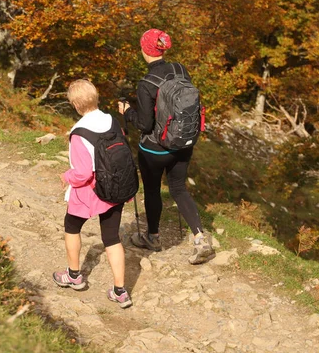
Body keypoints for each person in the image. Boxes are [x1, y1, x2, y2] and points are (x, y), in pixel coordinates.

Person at [117, 28, 215, 265]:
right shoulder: (180, 69)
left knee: (152, 190)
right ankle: (200, 238)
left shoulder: (146, 83)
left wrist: (127, 111)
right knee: (179, 188)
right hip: (183, 142)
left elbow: (145, 124)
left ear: (144, 50)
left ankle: (153, 237)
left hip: (155, 150)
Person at [53, 79, 132, 308]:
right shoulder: (112, 121)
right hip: (115, 187)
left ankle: (74, 276)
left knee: (72, 226)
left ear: (76, 105)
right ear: (96, 97)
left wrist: (65, 176)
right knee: (112, 238)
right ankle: (120, 291)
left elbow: (83, 173)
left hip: (90, 192)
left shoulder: (79, 133)